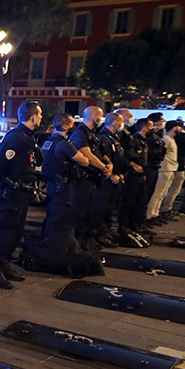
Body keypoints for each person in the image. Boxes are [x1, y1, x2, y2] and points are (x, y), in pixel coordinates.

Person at [0, 101, 43, 289]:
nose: (41, 118)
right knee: (6, 230)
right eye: (40, 114)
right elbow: (0, 165)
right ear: (32, 116)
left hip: (23, 191)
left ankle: (5, 263)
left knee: (17, 229)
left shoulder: (29, 136)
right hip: (13, 191)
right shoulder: (16, 137)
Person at [34, 113, 91, 263]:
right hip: (63, 186)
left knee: (52, 216)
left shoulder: (49, 141)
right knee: (60, 218)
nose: (74, 127)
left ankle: (47, 244)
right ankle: (54, 250)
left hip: (53, 184)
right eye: (72, 124)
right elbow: (84, 161)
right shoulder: (64, 144)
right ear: (65, 126)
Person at [68, 107, 111, 249]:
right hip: (82, 180)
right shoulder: (80, 133)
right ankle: (77, 244)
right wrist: (103, 167)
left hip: (93, 178)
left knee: (89, 211)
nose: (101, 119)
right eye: (101, 116)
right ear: (95, 118)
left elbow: (100, 153)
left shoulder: (92, 133)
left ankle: (86, 241)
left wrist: (108, 164)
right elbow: (86, 154)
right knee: (79, 212)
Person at [89, 111, 127, 245]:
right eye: (121, 122)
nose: (122, 125)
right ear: (116, 122)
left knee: (109, 208)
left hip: (115, 178)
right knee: (101, 209)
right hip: (106, 179)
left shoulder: (114, 137)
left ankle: (107, 231)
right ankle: (99, 235)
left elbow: (119, 158)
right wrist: (110, 175)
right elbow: (101, 158)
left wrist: (120, 174)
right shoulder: (103, 137)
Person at [116, 118, 151, 239]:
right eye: (150, 126)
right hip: (133, 175)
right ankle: (124, 226)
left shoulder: (144, 140)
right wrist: (134, 166)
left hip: (141, 174)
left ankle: (137, 225)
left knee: (141, 201)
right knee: (128, 201)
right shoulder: (134, 140)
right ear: (144, 127)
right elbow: (126, 156)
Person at [146, 120, 181, 224]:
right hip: (164, 169)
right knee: (157, 193)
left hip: (171, 168)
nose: (180, 129)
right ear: (174, 128)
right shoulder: (166, 139)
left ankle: (155, 214)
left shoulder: (171, 139)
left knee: (163, 193)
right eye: (179, 127)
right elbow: (159, 152)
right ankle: (149, 215)